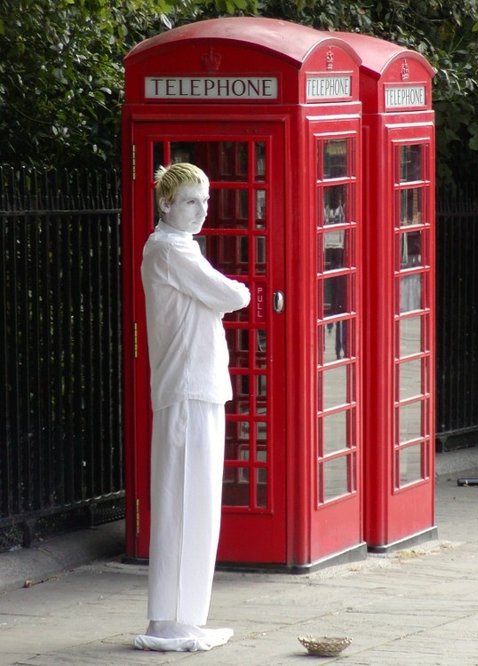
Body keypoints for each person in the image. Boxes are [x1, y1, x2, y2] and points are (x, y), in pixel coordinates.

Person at [134, 162, 251, 652]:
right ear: (166, 204)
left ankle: (186, 618)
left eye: (205, 201)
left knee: (198, 506)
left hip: (200, 385)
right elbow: (234, 294)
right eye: (190, 201)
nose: (202, 211)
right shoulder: (167, 249)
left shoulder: (182, 249)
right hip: (184, 388)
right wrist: (226, 297)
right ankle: (167, 623)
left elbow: (222, 299)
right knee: (182, 503)